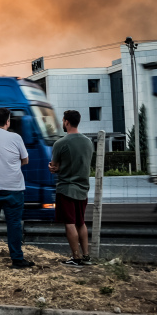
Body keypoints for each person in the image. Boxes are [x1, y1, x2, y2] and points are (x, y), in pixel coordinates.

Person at [0, 108, 35, 269]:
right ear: (8, 122)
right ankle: (17, 259)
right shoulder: (15, 137)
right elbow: (25, 160)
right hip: (12, 188)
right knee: (14, 224)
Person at [49, 110, 95, 267]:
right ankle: (86, 256)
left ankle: (76, 258)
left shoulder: (60, 143)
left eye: (63, 121)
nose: (63, 123)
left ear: (67, 122)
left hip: (67, 188)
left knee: (70, 223)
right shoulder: (88, 142)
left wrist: (54, 167)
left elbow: (54, 166)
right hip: (83, 188)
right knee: (81, 222)